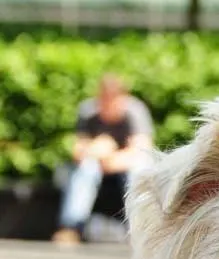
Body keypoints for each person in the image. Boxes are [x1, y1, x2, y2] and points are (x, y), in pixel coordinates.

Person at [51, 75, 154, 245]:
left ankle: (141, 226)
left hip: (123, 164)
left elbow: (143, 149)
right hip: (98, 165)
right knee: (85, 169)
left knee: (138, 170)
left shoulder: (134, 111)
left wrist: (111, 157)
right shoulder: (88, 111)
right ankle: (71, 226)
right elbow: (78, 151)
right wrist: (97, 150)